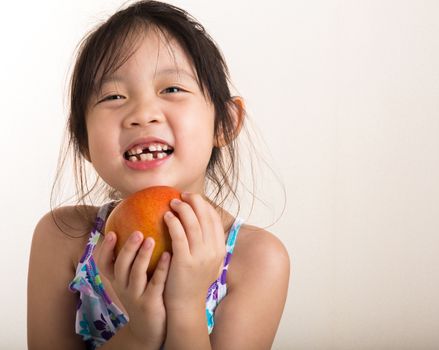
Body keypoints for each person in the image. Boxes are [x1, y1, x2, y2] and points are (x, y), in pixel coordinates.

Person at [27, 1, 290, 349]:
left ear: (224, 123)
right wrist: (139, 332)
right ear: (83, 141)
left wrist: (185, 307)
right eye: (113, 95)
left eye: (172, 89)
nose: (143, 113)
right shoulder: (63, 240)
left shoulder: (256, 260)